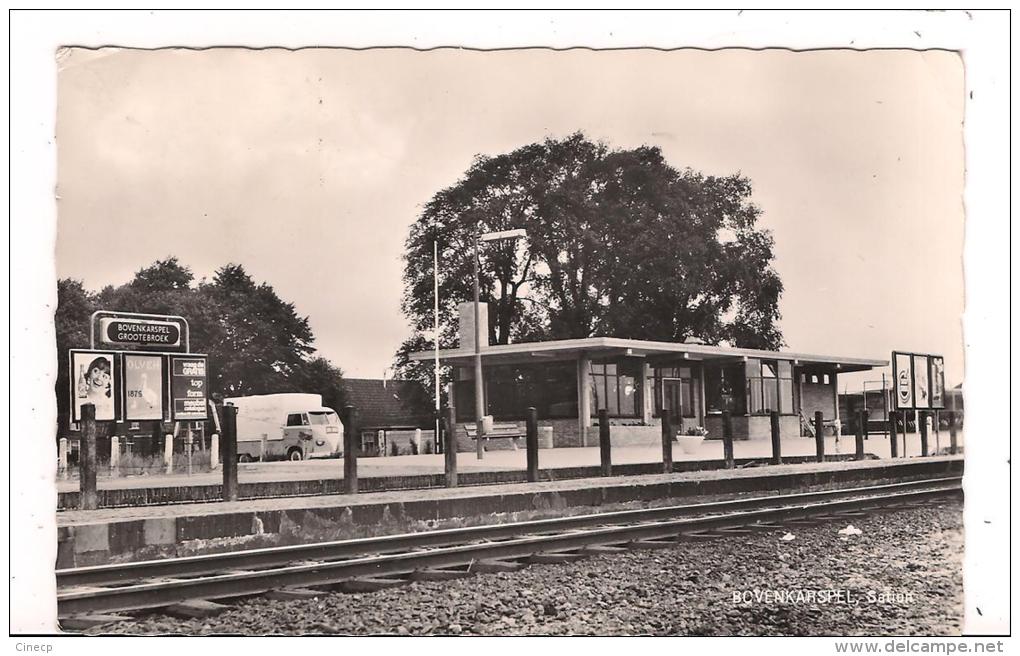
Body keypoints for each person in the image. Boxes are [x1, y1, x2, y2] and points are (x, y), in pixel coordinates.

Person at [81, 356, 114, 420]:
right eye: (96, 371)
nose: (99, 378)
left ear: (108, 383)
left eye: (104, 376)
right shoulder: (81, 399)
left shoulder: (109, 405)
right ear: (89, 373)